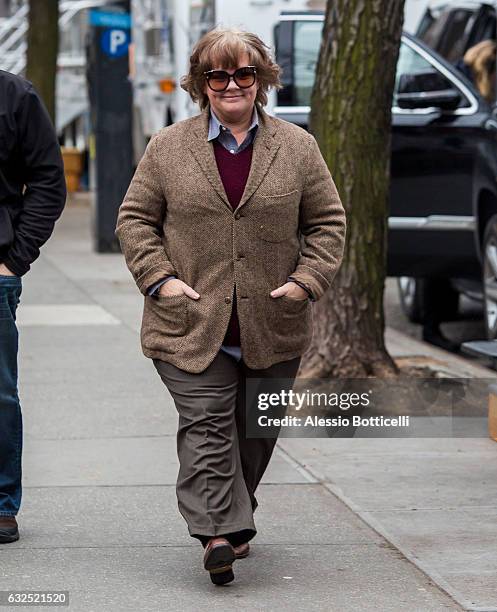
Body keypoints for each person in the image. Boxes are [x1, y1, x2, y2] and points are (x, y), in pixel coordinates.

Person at [115, 27, 346, 585]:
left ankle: (234, 519)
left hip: (273, 321)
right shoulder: (168, 147)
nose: (231, 84)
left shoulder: (298, 147)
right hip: (190, 324)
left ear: (261, 79)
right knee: (207, 425)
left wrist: (306, 280)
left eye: (244, 73)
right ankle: (218, 533)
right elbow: (135, 220)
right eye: (218, 75)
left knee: (255, 432)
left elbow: (327, 224)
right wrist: (160, 280)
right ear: (201, 84)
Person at [0, 71, 66, 543]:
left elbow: (48, 182)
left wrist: (14, 260)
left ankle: (1, 504)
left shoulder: (14, 96)